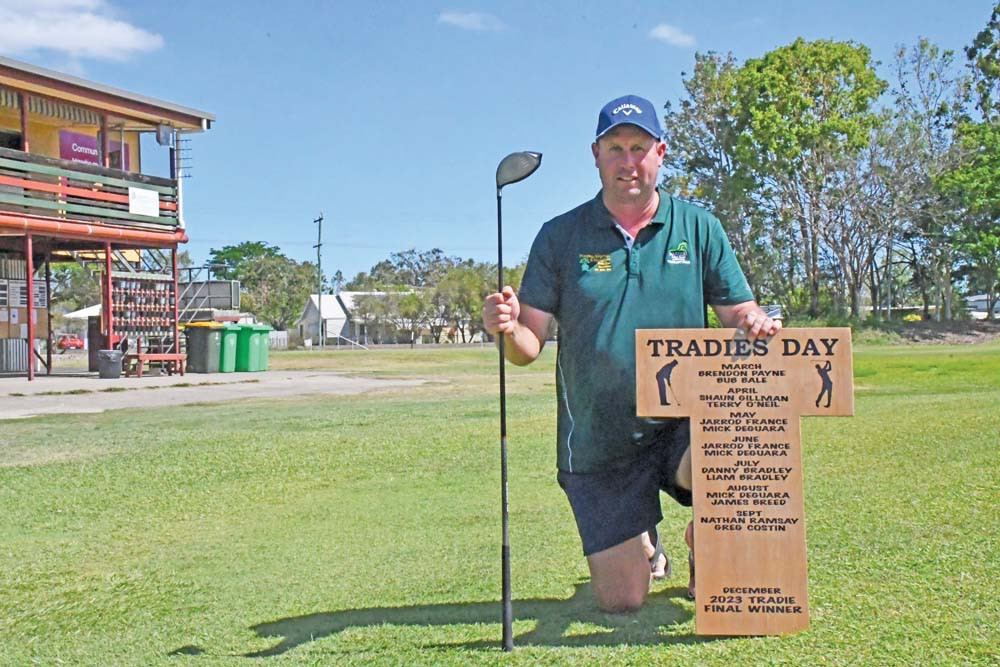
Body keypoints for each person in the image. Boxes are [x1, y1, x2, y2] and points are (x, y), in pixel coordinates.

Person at [482, 94, 781, 613]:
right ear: (595, 154)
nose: (628, 161)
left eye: (639, 147)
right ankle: (641, 535)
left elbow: (740, 315)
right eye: (615, 147)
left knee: (732, 457)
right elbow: (528, 346)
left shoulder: (699, 228)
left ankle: (705, 542)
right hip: (600, 441)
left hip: (684, 423)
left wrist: (755, 321)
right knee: (622, 601)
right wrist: (505, 328)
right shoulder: (559, 236)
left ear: (660, 152)